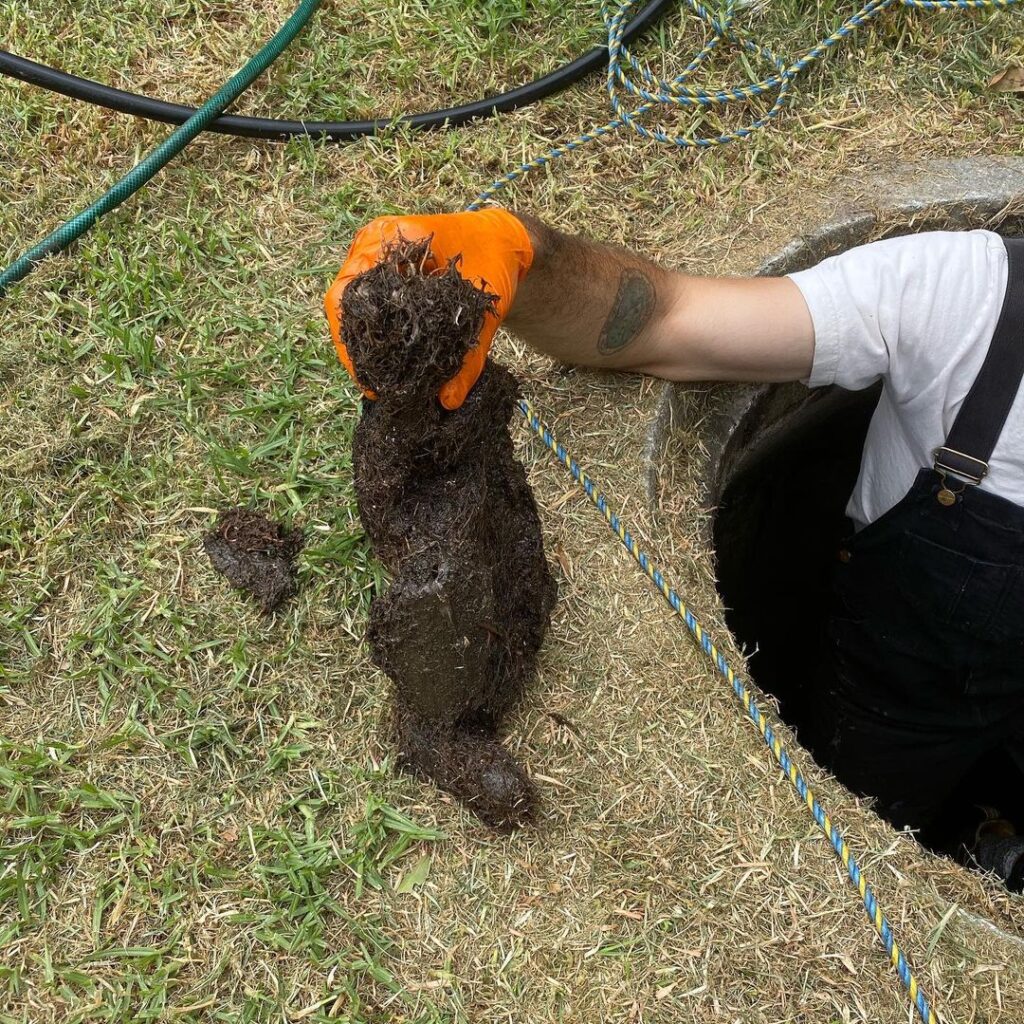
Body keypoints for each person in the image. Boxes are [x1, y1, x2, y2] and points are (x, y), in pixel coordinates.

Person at [325, 209, 1024, 890]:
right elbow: (664, 318)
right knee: (884, 795)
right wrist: (518, 254)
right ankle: (974, 832)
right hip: (902, 703)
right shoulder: (972, 305)